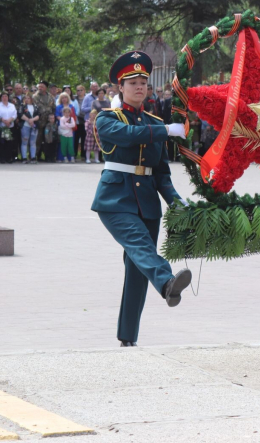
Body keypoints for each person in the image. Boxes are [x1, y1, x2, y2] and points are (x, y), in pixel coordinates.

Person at [91, 50, 191, 347]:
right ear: (119, 88)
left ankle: (128, 337)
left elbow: (160, 172)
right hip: (115, 199)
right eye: (131, 81)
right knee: (141, 246)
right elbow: (127, 136)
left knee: (136, 267)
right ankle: (167, 282)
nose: (138, 86)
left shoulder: (152, 119)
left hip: (147, 200)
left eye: (143, 82)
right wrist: (163, 130)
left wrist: (175, 201)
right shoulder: (107, 118)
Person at [32, 82, 56, 161]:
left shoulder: (50, 97)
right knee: (37, 140)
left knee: (48, 139)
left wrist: (52, 119)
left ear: (46, 88)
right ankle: (35, 156)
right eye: (39, 86)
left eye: (42, 87)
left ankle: (48, 156)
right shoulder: (35, 97)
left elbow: (53, 108)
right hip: (39, 121)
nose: (40, 88)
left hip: (48, 122)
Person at [0, 93, 17, 164]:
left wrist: (9, 121)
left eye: (6, 96)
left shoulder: (12, 105)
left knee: (9, 143)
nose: (4, 98)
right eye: (3, 96)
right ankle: (2, 158)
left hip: (10, 126)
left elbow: (14, 114)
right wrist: (4, 121)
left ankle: (9, 158)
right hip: (2, 127)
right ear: (1, 98)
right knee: (2, 143)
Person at [19, 95, 39, 164]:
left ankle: (33, 157)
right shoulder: (22, 106)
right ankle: (24, 157)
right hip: (25, 126)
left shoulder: (35, 106)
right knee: (24, 142)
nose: (27, 99)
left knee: (33, 142)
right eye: (25, 98)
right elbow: (20, 115)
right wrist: (28, 120)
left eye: (28, 98)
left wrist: (32, 120)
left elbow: (38, 115)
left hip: (34, 126)